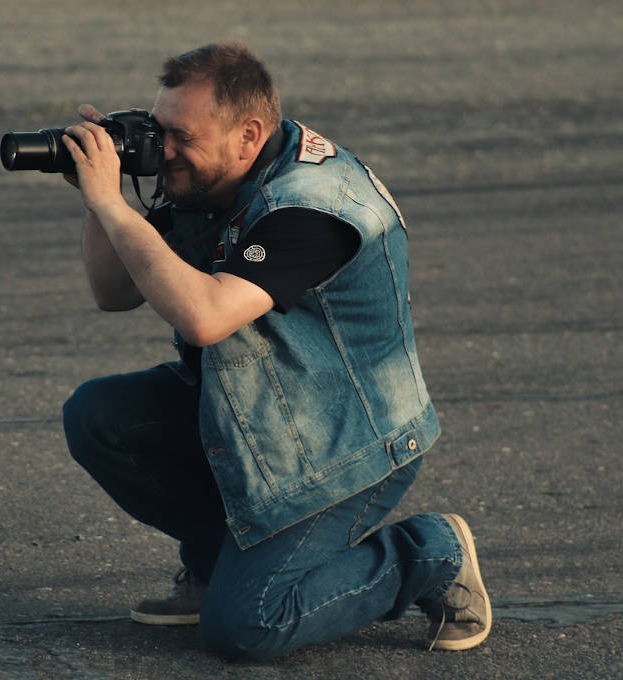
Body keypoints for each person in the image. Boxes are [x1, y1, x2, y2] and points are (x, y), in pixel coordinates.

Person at [59, 42, 491, 659]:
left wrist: (111, 202)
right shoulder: (213, 174)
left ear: (248, 135)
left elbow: (205, 317)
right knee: (99, 417)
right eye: (160, 131)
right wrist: (94, 197)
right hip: (254, 409)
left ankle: (430, 553)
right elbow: (112, 291)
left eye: (182, 136)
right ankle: (219, 563)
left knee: (247, 628)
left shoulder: (315, 207)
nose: (166, 151)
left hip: (344, 444)